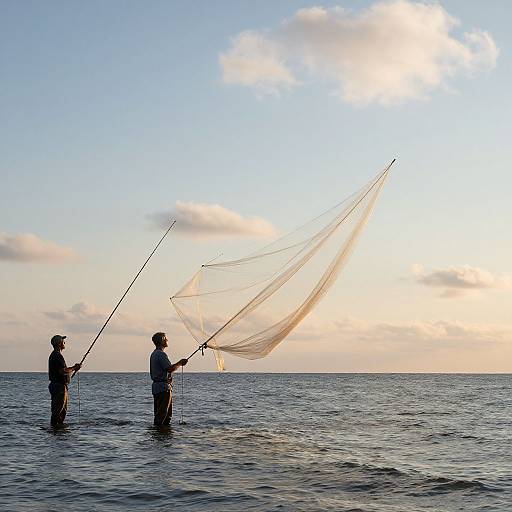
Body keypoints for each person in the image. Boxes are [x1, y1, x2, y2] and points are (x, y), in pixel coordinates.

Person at [150, 332, 188, 426]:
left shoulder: (154, 354)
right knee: (164, 415)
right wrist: (180, 363)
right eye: (165, 338)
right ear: (162, 341)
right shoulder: (161, 354)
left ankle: (161, 435)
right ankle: (160, 436)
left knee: (161, 414)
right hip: (163, 388)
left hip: (157, 387)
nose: (167, 340)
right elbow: (169, 368)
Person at [48, 335, 81, 427]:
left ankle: (58, 430)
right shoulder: (57, 356)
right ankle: (54, 429)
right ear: (59, 344)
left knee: (62, 410)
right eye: (63, 341)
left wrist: (73, 369)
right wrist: (74, 368)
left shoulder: (55, 355)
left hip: (59, 386)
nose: (64, 343)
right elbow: (62, 371)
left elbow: (63, 371)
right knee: (58, 410)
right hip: (59, 387)